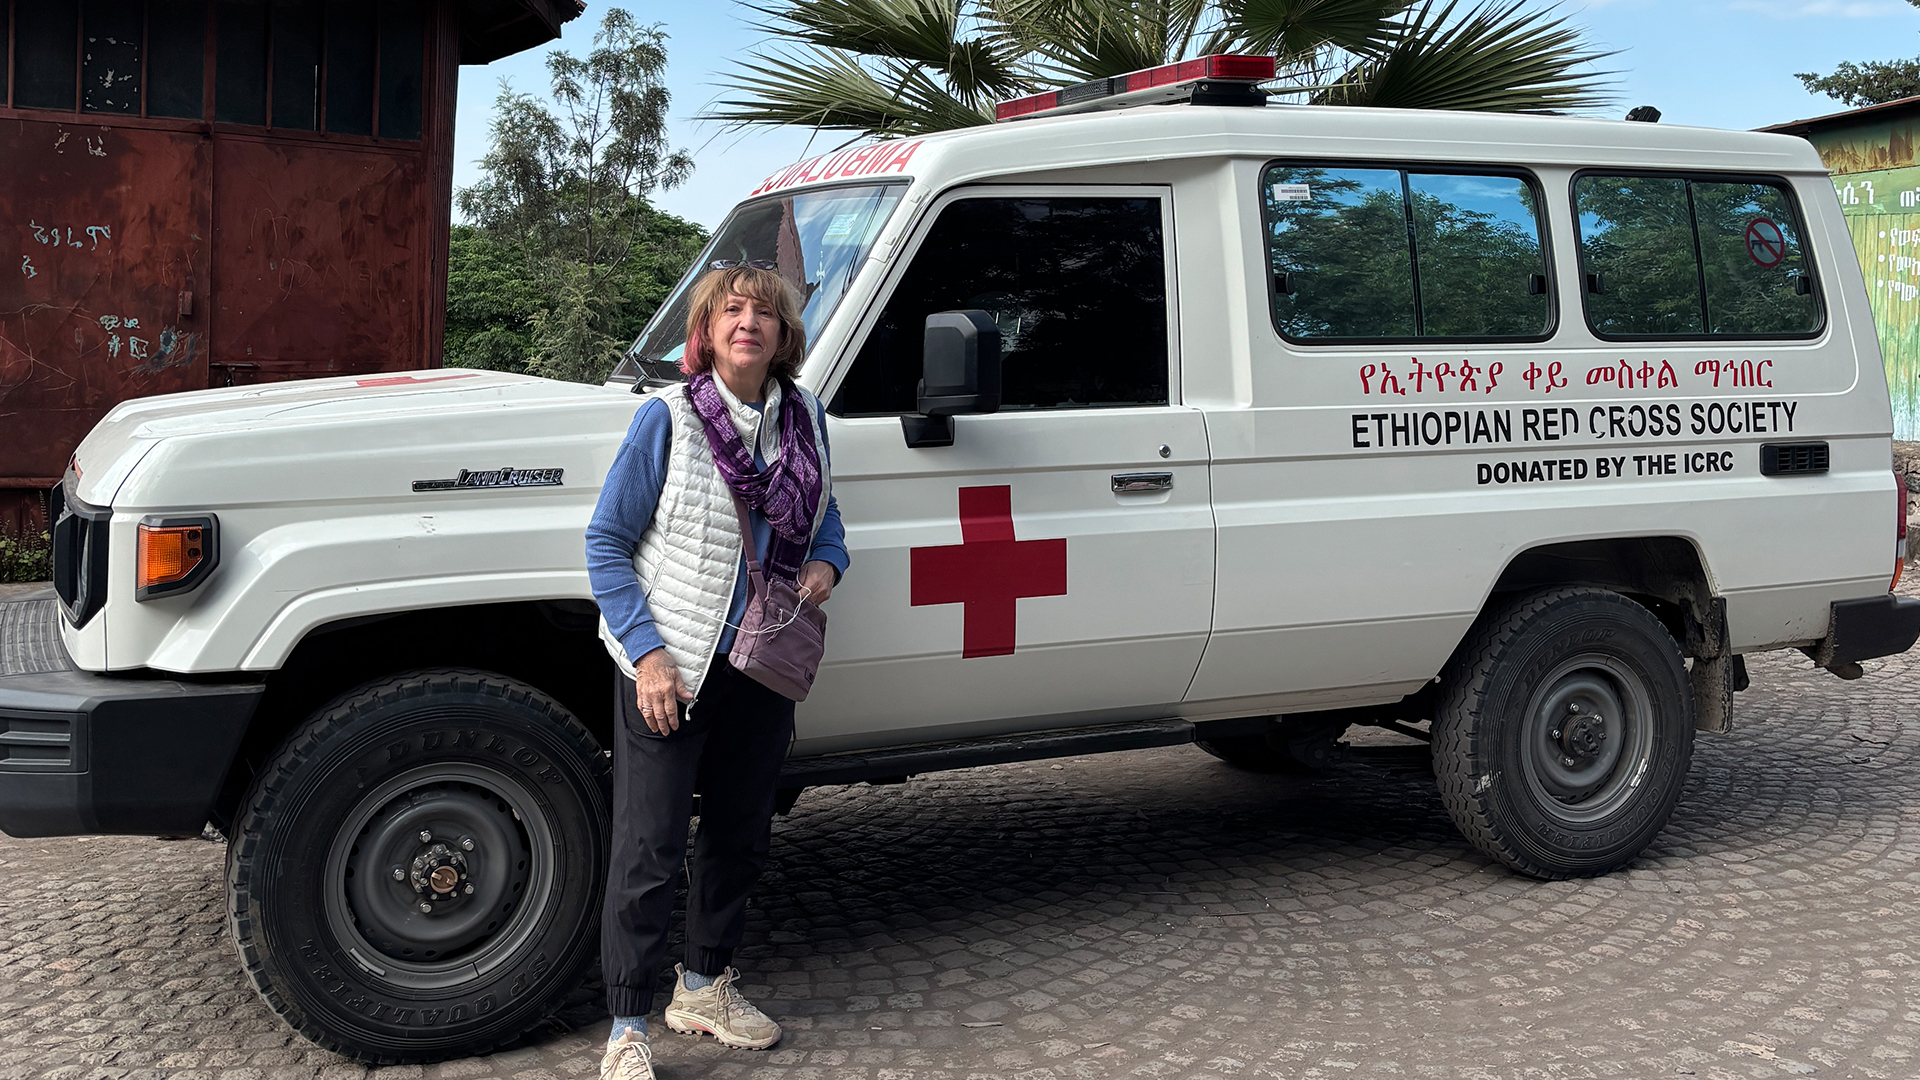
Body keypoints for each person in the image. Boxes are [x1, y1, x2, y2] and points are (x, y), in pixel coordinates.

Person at [585, 264, 848, 1080]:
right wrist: (649, 657)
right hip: (677, 665)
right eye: (731, 310)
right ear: (706, 330)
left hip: (761, 667)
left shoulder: (805, 418)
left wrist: (827, 566)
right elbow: (606, 545)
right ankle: (626, 1028)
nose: (749, 323)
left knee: (739, 834)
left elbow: (829, 516)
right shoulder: (667, 419)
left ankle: (703, 986)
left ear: (783, 335)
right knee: (649, 847)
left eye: (764, 313)